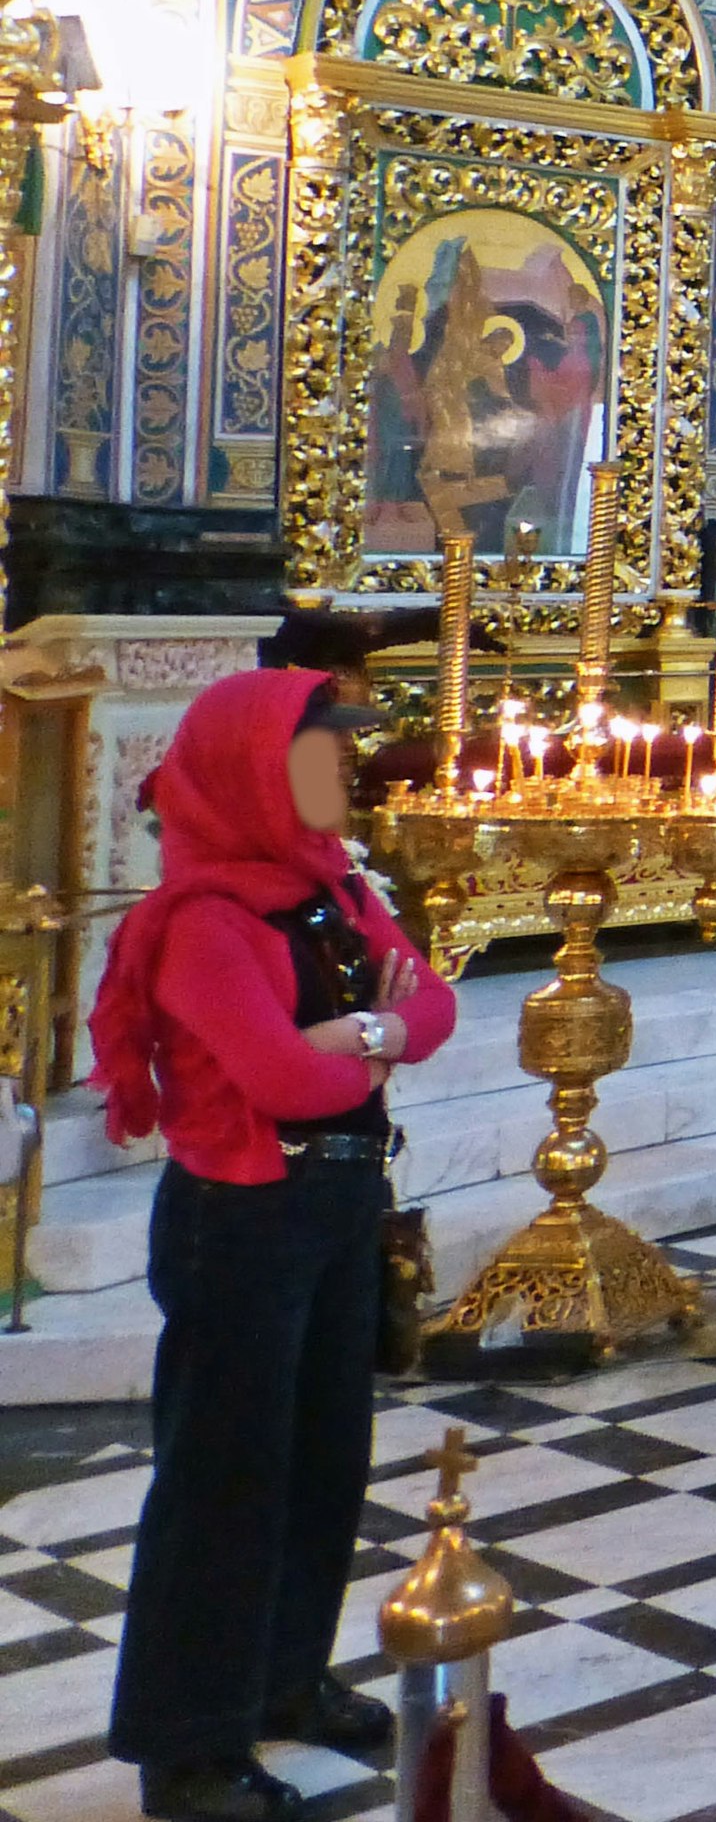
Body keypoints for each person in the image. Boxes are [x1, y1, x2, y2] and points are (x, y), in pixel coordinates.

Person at [96, 666, 457, 1822]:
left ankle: (284, 1680)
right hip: (242, 1218)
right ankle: (188, 1749)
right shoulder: (204, 920)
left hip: (341, 1203)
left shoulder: (328, 891)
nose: (336, 775)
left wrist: (371, 1027)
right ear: (252, 774)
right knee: (224, 1482)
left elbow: (434, 1004)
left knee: (321, 1462)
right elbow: (281, 1079)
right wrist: (376, 1036)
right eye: (312, 757)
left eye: (338, 756)